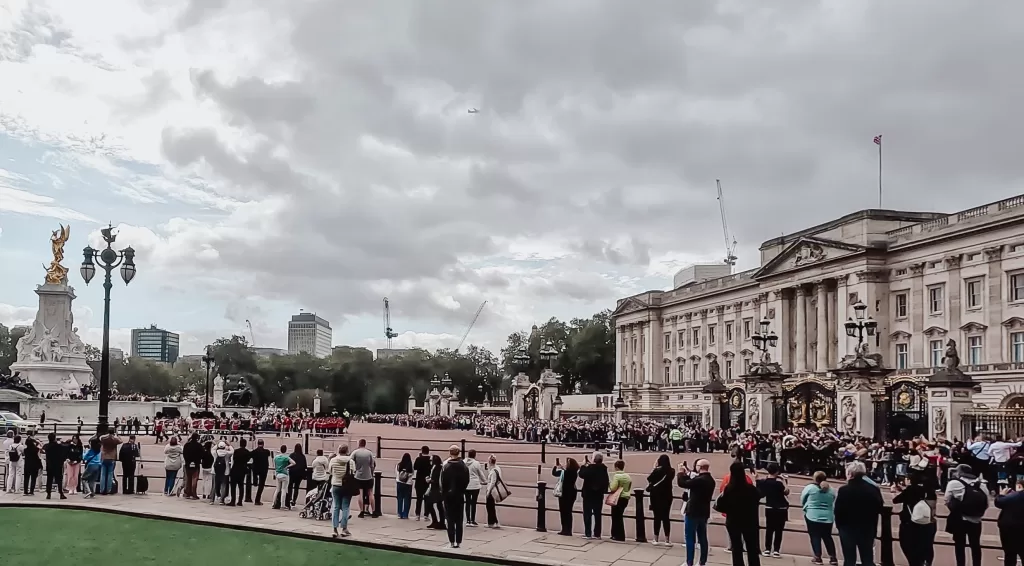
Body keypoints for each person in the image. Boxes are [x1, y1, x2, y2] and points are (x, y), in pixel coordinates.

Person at [834, 461, 884, 566]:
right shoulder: (873, 489)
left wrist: (840, 526)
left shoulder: (844, 490)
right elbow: (879, 507)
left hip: (848, 528)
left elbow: (838, 511)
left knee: (849, 559)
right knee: (867, 558)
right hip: (867, 527)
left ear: (850, 474)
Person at [716, 461, 762, 566]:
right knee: (752, 548)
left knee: (736, 548)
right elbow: (760, 495)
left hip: (733, 521)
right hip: (750, 521)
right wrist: (757, 481)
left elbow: (723, 504)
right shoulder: (750, 488)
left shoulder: (729, 488)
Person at [944, 463, 989, 566]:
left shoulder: (954, 483)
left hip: (959, 518)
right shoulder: (981, 484)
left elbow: (947, 500)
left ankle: (961, 564)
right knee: (975, 545)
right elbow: (986, 503)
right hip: (976, 519)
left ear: (960, 472)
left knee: (959, 545)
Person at [678, 459, 715, 566]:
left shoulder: (700, 480)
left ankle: (689, 562)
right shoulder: (710, 480)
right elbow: (690, 481)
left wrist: (680, 473)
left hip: (693, 511)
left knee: (690, 537)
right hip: (704, 512)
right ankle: (702, 562)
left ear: (700, 467)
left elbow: (683, 483)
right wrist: (686, 473)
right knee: (702, 537)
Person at [800, 471, 837, 565]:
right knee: (827, 537)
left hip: (812, 515)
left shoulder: (810, 488)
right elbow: (833, 500)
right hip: (828, 516)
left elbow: (803, 499)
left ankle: (818, 557)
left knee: (815, 536)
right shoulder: (831, 490)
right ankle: (833, 557)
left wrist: (806, 507)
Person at [756, 463, 790, 558]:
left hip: (770, 507)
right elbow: (786, 492)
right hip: (781, 508)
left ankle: (767, 549)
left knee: (769, 529)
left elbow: (760, 491)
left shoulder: (765, 482)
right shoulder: (779, 483)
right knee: (779, 530)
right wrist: (785, 481)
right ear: (777, 472)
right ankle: (776, 550)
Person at [442, 445, 471, 548]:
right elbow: (467, 480)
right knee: (459, 519)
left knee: (450, 519)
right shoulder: (463, 466)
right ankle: (458, 541)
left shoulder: (446, 466)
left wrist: (445, 493)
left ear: (450, 453)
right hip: (459, 495)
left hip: (449, 496)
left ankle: (451, 541)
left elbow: (443, 482)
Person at [578, 451, 609, 540]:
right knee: (597, 514)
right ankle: (597, 534)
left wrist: (583, 465)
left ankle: (588, 533)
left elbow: (581, 474)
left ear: (594, 459)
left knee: (587, 514)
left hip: (588, 494)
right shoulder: (604, 468)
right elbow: (606, 481)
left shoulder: (590, 468)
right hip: (598, 494)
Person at [995, 479, 1024, 566]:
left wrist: (1001, 495)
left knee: (1010, 555)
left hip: (1009, 529)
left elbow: (999, 502)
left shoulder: (1014, 496)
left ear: (1019, 486)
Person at [646, 454, 674, 545]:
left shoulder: (657, 470)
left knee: (657, 517)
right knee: (666, 517)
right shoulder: (671, 471)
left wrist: (655, 468)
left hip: (656, 495)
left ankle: (656, 538)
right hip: (667, 495)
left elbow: (649, 478)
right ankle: (667, 540)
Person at [328, 445, 353, 538]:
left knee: (336, 507)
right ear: (347, 451)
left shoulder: (333, 460)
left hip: (335, 484)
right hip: (347, 486)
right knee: (345, 507)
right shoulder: (351, 461)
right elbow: (353, 472)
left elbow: (329, 471)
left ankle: (334, 529)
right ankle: (344, 529)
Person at [553, 457, 580, 536]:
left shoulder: (564, 472)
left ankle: (565, 529)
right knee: (569, 512)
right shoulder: (574, 472)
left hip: (564, 493)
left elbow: (554, 473)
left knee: (563, 512)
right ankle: (569, 529)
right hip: (572, 493)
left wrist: (556, 466)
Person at [350, 438, 376, 517]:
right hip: (368, 475)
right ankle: (374, 511)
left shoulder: (355, 452)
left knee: (360, 494)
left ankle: (361, 511)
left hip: (358, 475)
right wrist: (371, 473)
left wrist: (354, 470)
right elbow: (372, 465)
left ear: (359, 444)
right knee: (371, 493)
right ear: (365, 444)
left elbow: (350, 462)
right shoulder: (369, 453)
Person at [607, 459, 632, 542]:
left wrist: (610, 485)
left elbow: (613, 487)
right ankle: (618, 534)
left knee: (616, 517)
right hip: (625, 497)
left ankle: (617, 535)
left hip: (617, 498)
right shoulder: (627, 476)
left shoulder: (617, 476)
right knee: (619, 516)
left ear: (616, 467)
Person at [464, 449, 486, 526]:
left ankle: (468, 520)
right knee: (473, 503)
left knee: (467, 502)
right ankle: (472, 520)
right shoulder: (476, 463)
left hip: (466, 485)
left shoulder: (463, 462)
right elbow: (480, 473)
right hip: (475, 485)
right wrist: (484, 481)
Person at [42, 432, 67, 500]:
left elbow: (43, 448)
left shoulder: (46, 446)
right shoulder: (59, 446)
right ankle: (61, 493)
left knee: (49, 480)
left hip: (49, 465)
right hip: (58, 465)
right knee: (59, 480)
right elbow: (65, 449)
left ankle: (48, 494)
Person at [98, 429, 122, 495]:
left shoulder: (104, 438)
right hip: (111, 457)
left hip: (104, 457)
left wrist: (107, 435)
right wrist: (117, 435)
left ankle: (102, 489)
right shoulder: (114, 439)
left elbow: (100, 437)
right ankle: (108, 489)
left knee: (103, 474)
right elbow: (120, 441)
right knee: (110, 474)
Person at [426, 454, 445, 529]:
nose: (430, 461)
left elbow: (437, 480)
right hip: (435, 489)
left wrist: (430, 480)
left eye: (431, 460)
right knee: (439, 506)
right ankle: (440, 522)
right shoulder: (435, 467)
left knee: (429, 504)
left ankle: (436, 522)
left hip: (436, 489)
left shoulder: (438, 468)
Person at [273, 444, 295, 510]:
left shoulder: (276, 457)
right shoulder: (286, 457)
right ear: (285, 450)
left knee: (277, 489)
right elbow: (294, 463)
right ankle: (282, 505)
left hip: (278, 474)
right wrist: (287, 466)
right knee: (284, 490)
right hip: (284, 474)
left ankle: (274, 503)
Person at [413, 446, 432, 521]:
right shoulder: (430, 460)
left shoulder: (419, 459)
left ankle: (417, 515)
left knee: (419, 499)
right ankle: (426, 515)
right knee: (427, 499)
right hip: (427, 481)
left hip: (419, 481)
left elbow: (415, 467)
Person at [182, 433, 203, 500]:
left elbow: (184, 454)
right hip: (196, 464)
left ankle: (187, 493)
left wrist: (188, 461)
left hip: (188, 464)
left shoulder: (187, 445)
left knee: (188, 479)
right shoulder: (199, 445)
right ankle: (194, 494)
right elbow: (201, 454)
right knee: (194, 479)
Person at [484, 454, 503, 528]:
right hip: (495, 489)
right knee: (492, 506)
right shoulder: (497, 468)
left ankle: (491, 522)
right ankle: (495, 521)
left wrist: (488, 492)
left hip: (491, 490)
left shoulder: (493, 471)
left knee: (489, 506)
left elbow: (492, 482)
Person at [230, 438, 250, 506]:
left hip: (235, 469)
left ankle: (233, 500)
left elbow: (234, 459)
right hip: (242, 470)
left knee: (233, 486)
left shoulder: (236, 451)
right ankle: (240, 501)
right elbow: (248, 459)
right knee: (241, 486)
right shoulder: (247, 452)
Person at [250, 439, 271, 505]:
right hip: (263, 469)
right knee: (261, 485)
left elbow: (250, 455)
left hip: (256, 468)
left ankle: (255, 481)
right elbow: (269, 454)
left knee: (255, 476)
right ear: (263, 444)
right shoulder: (266, 452)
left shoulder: (254, 451)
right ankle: (257, 499)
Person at [395, 452, 414, 519]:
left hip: (399, 483)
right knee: (407, 499)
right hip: (408, 484)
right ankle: (405, 514)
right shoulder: (410, 466)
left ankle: (399, 513)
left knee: (399, 499)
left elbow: (396, 473)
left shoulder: (399, 465)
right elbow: (412, 474)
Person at [287, 443, 306, 509]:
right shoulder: (302, 456)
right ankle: (294, 500)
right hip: (299, 474)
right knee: (296, 488)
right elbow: (305, 466)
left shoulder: (292, 455)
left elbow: (288, 463)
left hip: (292, 473)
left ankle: (289, 498)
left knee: (290, 486)